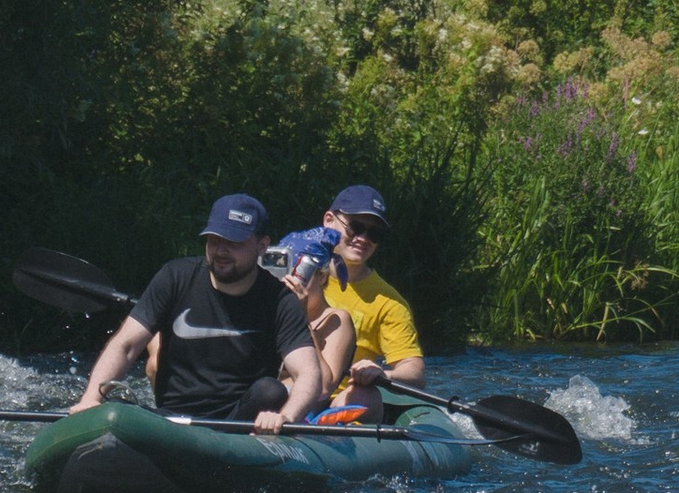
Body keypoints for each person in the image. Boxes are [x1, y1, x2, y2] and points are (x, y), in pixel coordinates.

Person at [69, 194, 327, 438]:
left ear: (262, 245)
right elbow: (125, 346)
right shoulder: (175, 277)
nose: (221, 251)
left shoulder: (281, 300)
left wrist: (285, 417)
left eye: (234, 243)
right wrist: (92, 398)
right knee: (116, 411)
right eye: (214, 240)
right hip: (173, 420)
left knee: (271, 390)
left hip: (239, 425)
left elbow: (308, 374)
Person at [319, 184, 426, 392]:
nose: (363, 239)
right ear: (329, 221)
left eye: (374, 233)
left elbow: (414, 371)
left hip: (344, 402)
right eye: (355, 227)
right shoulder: (295, 275)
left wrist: (383, 374)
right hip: (287, 391)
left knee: (365, 396)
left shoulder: (390, 303)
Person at [269, 226, 358, 405]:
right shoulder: (272, 314)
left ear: (321, 277)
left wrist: (300, 318)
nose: (288, 284)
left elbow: (323, 387)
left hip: (304, 411)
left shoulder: (336, 319)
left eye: (298, 276)